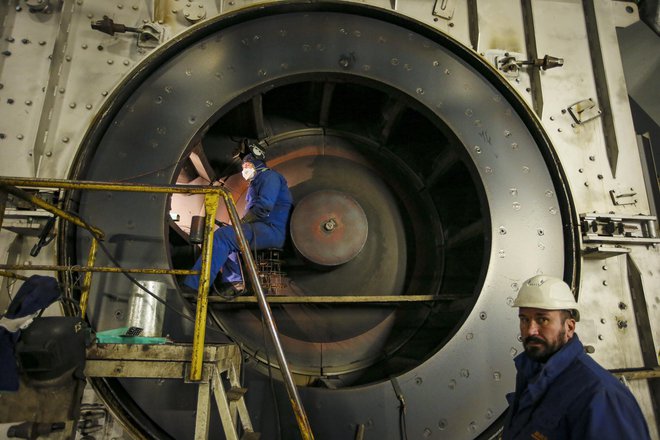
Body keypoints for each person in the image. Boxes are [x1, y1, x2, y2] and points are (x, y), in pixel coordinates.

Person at [502, 274, 651, 440]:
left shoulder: (602, 395)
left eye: (542, 320)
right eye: (524, 319)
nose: (530, 330)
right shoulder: (531, 375)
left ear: (569, 327)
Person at [183, 143, 292, 296]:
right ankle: (234, 283)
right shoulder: (257, 182)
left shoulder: (269, 176)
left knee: (224, 236)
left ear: (257, 164)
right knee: (227, 233)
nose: (244, 169)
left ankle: (194, 287)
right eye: (243, 166)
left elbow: (264, 207)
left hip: (272, 230)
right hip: (264, 228)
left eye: (246, 164)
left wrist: (241, 222)